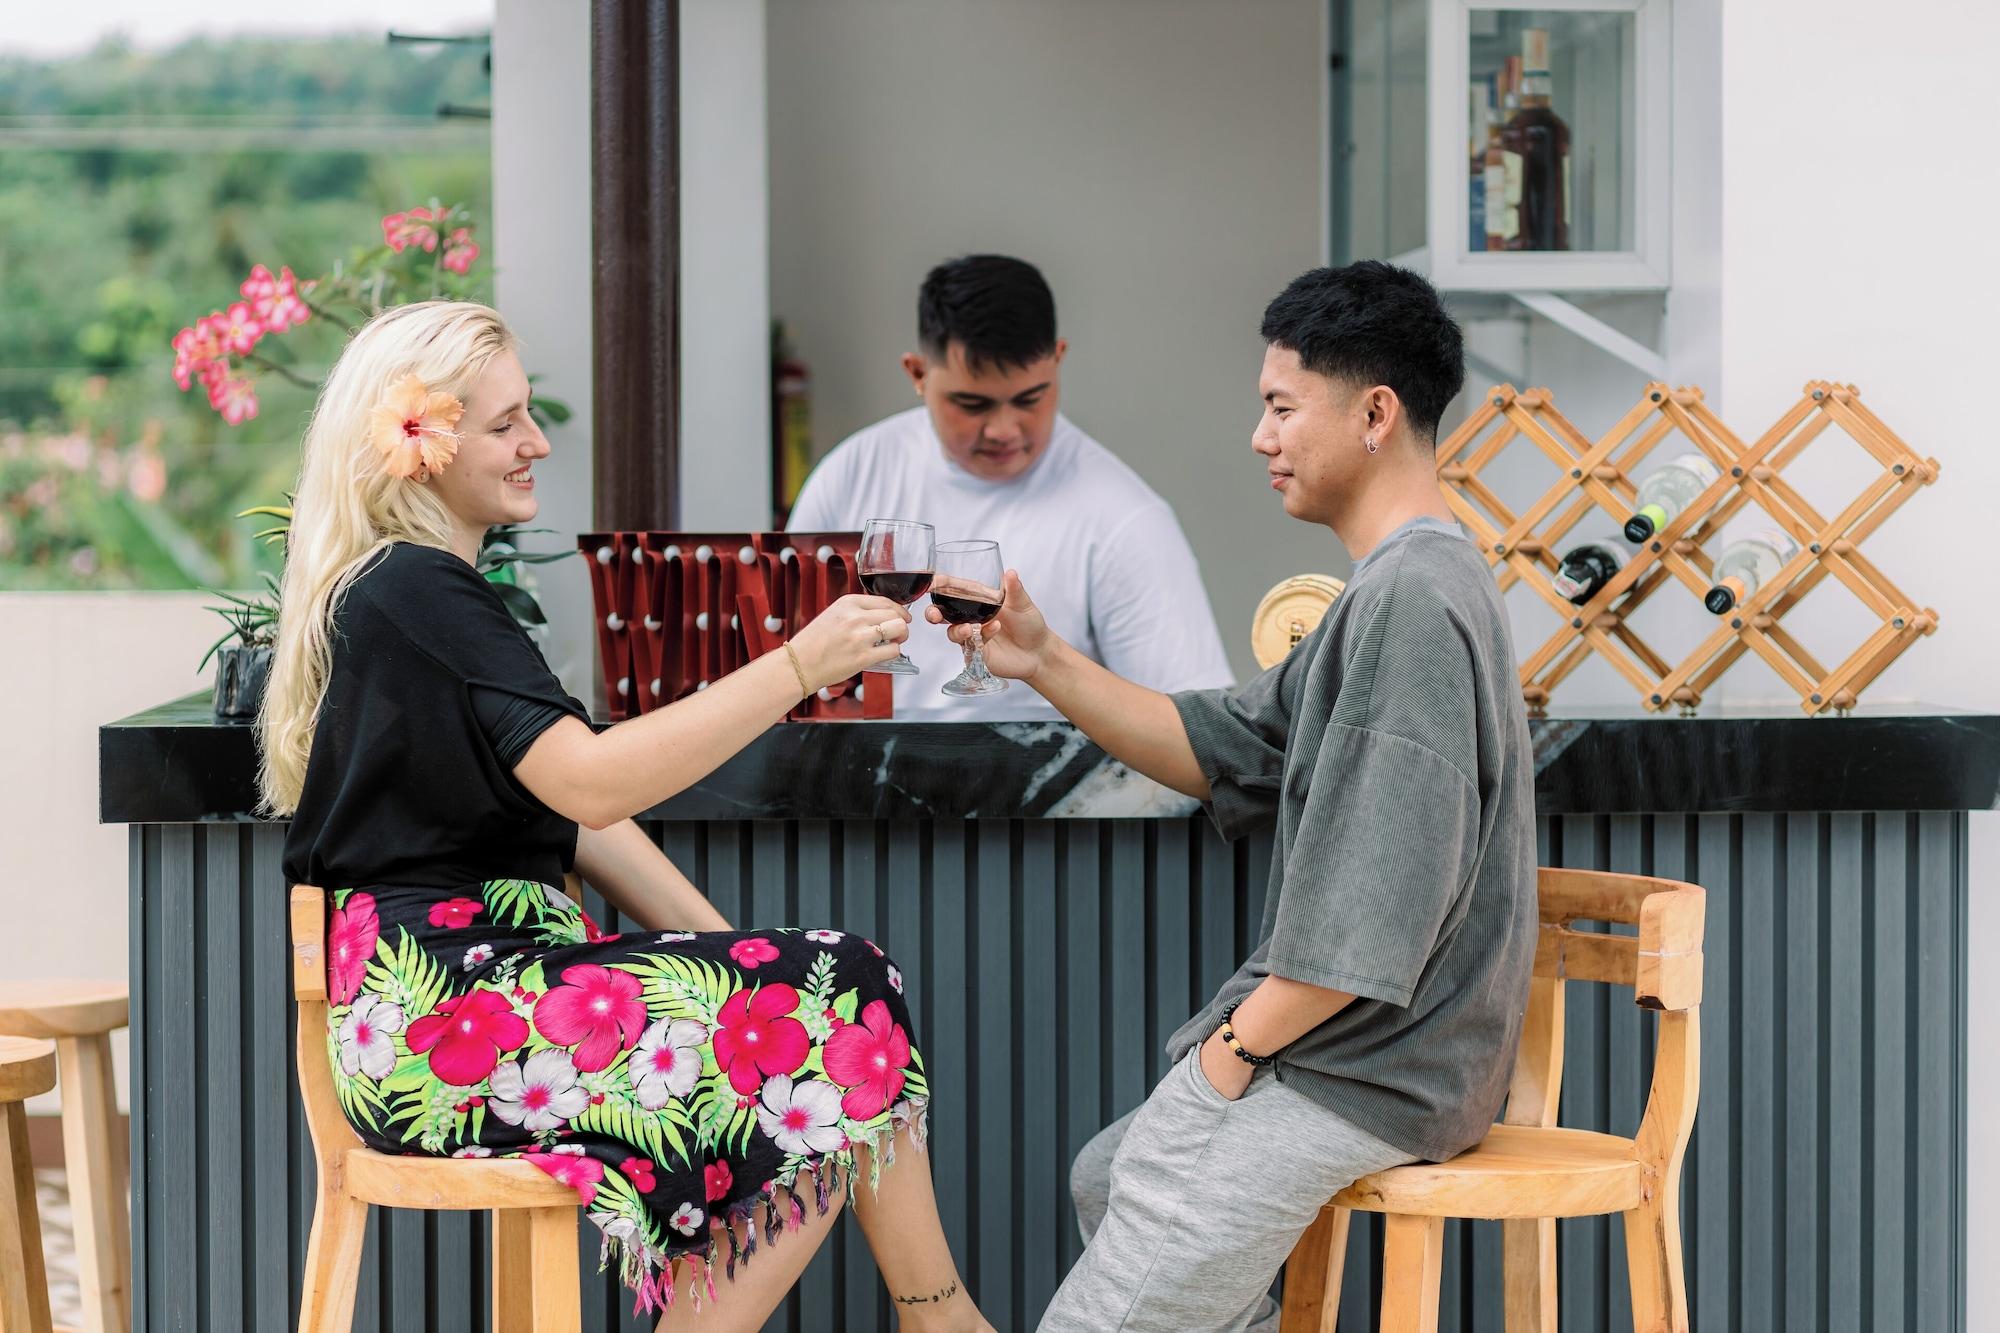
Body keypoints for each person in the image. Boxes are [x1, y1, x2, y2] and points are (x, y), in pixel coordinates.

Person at [263, 301, 993, 1331]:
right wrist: (795, 665)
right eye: (505, 422)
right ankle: (942, 1316)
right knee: (839, 1001)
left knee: (823, 1017)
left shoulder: (418, 590)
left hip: (463, 1011)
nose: (537, 441)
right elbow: (597, 785)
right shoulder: (417, 588)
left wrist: (733, 953)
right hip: (444, 1025)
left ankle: (935, 1317)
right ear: (418, 442)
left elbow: (578, 824)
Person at [929, 262, 1537, 1332]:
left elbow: (1372, 914)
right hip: (1372, 1058)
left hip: (1366, 1071)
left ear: (1374, 414)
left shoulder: (1408, 603)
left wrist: (1225, 1058)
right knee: (1105, 1174)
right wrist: (1044, 659)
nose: (1258, 436)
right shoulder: (1396, 588)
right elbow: (1225, 746)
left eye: (1278, 406)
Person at [786, 253, 1234, 719]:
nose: (1004, 429)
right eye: (972, 403)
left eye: (1029, 399)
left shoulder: (1126, 518)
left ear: (1058, 361)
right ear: (917, 373)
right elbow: (783, 662)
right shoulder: (850, 475)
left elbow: (1192, 727)